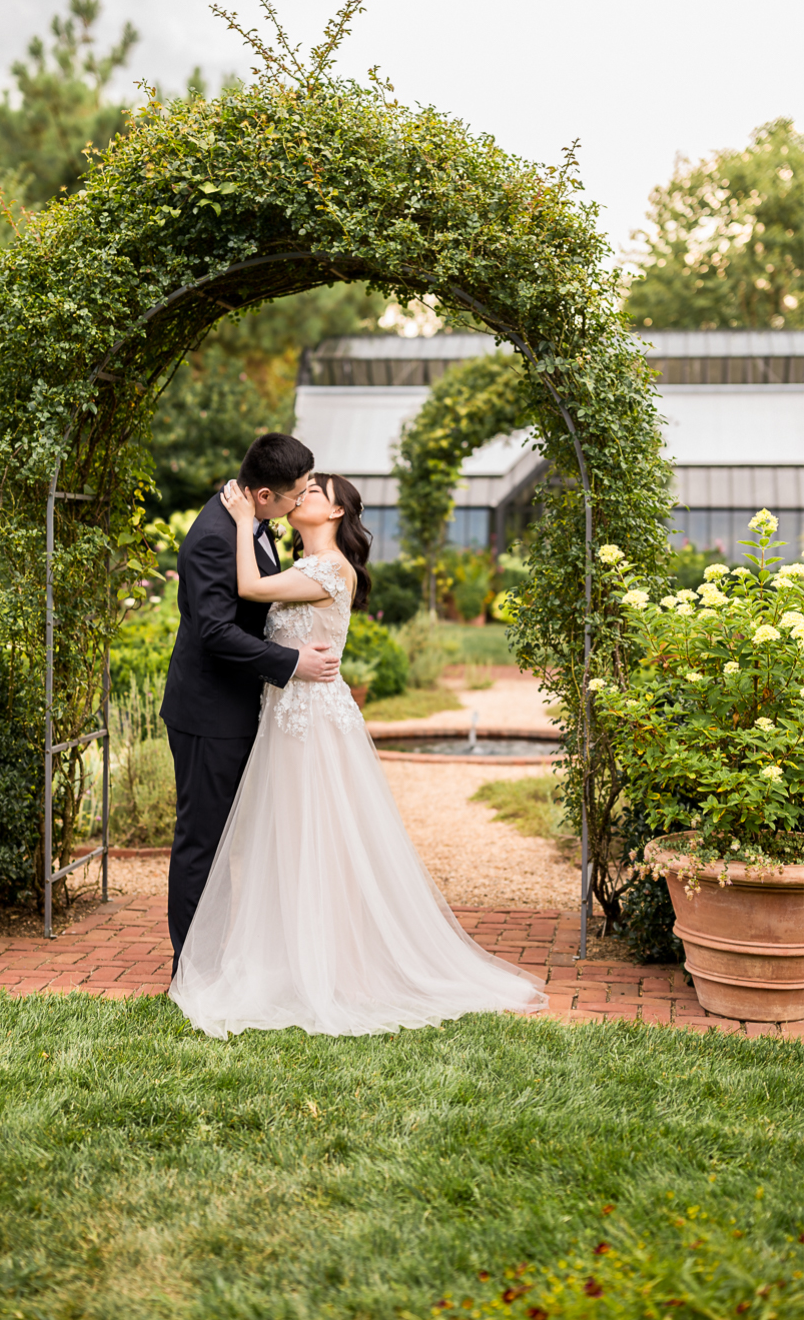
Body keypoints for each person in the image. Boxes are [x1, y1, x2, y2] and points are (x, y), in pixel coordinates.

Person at [169, 471, 548, 1037]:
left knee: (320, 842)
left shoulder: (326, 569)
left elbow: (248, 591)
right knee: (286, 843)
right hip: (283, 716)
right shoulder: (295, 564)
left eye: (314, 493)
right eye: (299, 490)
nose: (302, 498)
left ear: (337, 513)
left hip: (312, 722)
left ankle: (328, 969)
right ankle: (286, 959)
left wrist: (247, 520)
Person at [160, 433, 341, 976]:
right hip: (209, 713)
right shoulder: (217, 535)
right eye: (294, 496)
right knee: (202, 842)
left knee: (231, 841)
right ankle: (192, 970)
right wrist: (289, 663)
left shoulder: (250, 521)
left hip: (238, 709)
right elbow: (214, 630)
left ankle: (227, 956)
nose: (299, 502)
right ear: (264, 495)